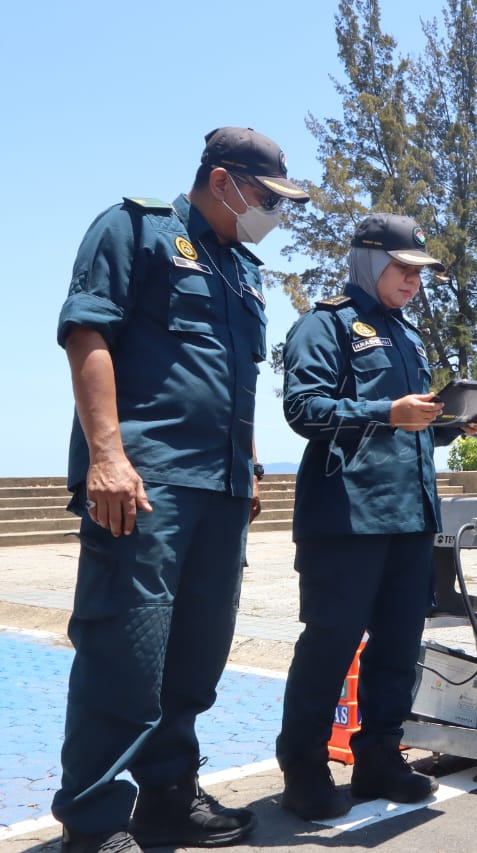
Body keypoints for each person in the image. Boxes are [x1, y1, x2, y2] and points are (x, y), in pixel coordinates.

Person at [53, 127, 309, 853]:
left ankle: (168, 796)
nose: (274, 214)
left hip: (220, 487)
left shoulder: (241, 268)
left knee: (195, 656)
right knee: (125, 653)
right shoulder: (134, 230)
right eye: (266, 198)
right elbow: (87, 336)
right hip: (145, 484)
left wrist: (247, 462)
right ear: (222, 180)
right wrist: (107, 456)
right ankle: (94, 821)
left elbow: (228, 375)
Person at [275, 213, 477, 821]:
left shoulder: (408, 336)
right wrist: (385, 411)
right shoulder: (325, 325)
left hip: (410, 517)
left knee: (398, 645)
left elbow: (413, 427)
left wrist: (455, 422)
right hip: (346, 517)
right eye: (402, 269)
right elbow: (303, 408)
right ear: (369, 261)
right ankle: (304, 770)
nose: (413, 282)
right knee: (330, 644)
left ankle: (379, 758)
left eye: (420, 273)